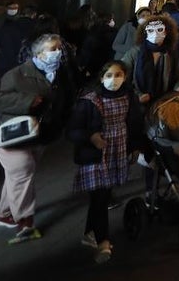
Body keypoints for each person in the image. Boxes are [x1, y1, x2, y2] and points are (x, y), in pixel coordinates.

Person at [0, 32, 76, 243]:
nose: (57, 53)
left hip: (39, 134)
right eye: (52, 49)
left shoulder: (61, 73)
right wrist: (27, 101)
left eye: (59, 48)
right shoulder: (18, 74)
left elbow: (67, 97)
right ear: (38, 53)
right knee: (23, 170)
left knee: (19, 175)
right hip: (10, 134)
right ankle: (25, 221)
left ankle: (4, 214)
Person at [67, 59, 148, 265]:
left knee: (100, 197)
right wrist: (91, 136)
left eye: (118, 75)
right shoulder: (89, 100)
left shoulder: (128, 96)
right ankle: (103, 242)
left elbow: (135, 124)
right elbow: (72, 130)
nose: (114, 80)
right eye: (109, 76)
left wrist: (136, 147)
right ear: (101, 78)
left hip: (118, 149)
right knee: (101, 196)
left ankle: (89, 233)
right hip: (96, 154)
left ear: (125, 77)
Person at [120, 13, 179, 110]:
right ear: (145, 33)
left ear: (167, 32)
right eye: (150, 31)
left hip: (163, 102)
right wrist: (137, 95)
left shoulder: (170, 53)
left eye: (160, 30)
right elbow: (124, 77)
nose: (155, 34)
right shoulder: (135, 53)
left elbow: (178, 75)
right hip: (139, 103)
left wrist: (178, 87)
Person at [0, 4, 37, 79]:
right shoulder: (37, 30)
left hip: (3, 67)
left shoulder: (7, 26)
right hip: (24, 72)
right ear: (34, 14)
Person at [77, 12, 118, 83]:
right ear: (109, 21)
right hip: (107, 63)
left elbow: (86, 48)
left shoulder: (92, 31)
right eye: (112, 19)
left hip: (92, 63)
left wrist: (83, 63)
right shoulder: (114, 32)